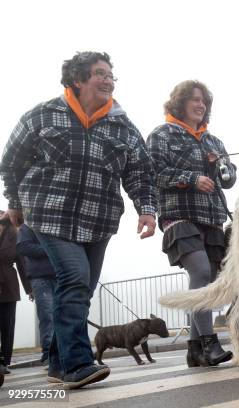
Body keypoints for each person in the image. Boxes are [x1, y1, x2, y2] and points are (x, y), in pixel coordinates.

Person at [0, 51, 157, 389]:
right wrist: (15, 200)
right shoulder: (42, 115)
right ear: (78, 79)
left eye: (111, 75)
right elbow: (11, 161)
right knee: (73, 279)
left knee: (81, 290)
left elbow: (140, 172)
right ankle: (77, 364)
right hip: (50, 215)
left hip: (98, 220)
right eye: (100, 73)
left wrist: (146, 209)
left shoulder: (122, 126)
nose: (109, 80)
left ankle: (57, 362)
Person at [147, 80, 236, 367]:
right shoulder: (162, 135)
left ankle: (194, 349)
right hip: (179, 216)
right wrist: (192, 179)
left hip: (211, 218)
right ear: (181, 102)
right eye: (195, 100)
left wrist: (224, 168)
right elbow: (154, 174)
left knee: (207, 280)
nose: (200, 105)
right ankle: (211, 344)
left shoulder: (213, 141)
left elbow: (229, 180)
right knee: (199, 271)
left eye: (204, 102)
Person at [17, 224, 56, 366]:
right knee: (47, 316)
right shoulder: (26, 227)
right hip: (40, 278)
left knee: (62, 315)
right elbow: (23, 247)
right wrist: (50, 248)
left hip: (60, 275)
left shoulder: (54, 226)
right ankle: (48, 354)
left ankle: (62, 352)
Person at [0, 213, 32, 375]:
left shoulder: (14, 233)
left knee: (7, 325)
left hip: (8, 285)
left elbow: (22, 263)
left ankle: (4, 362)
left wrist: (30, 289)